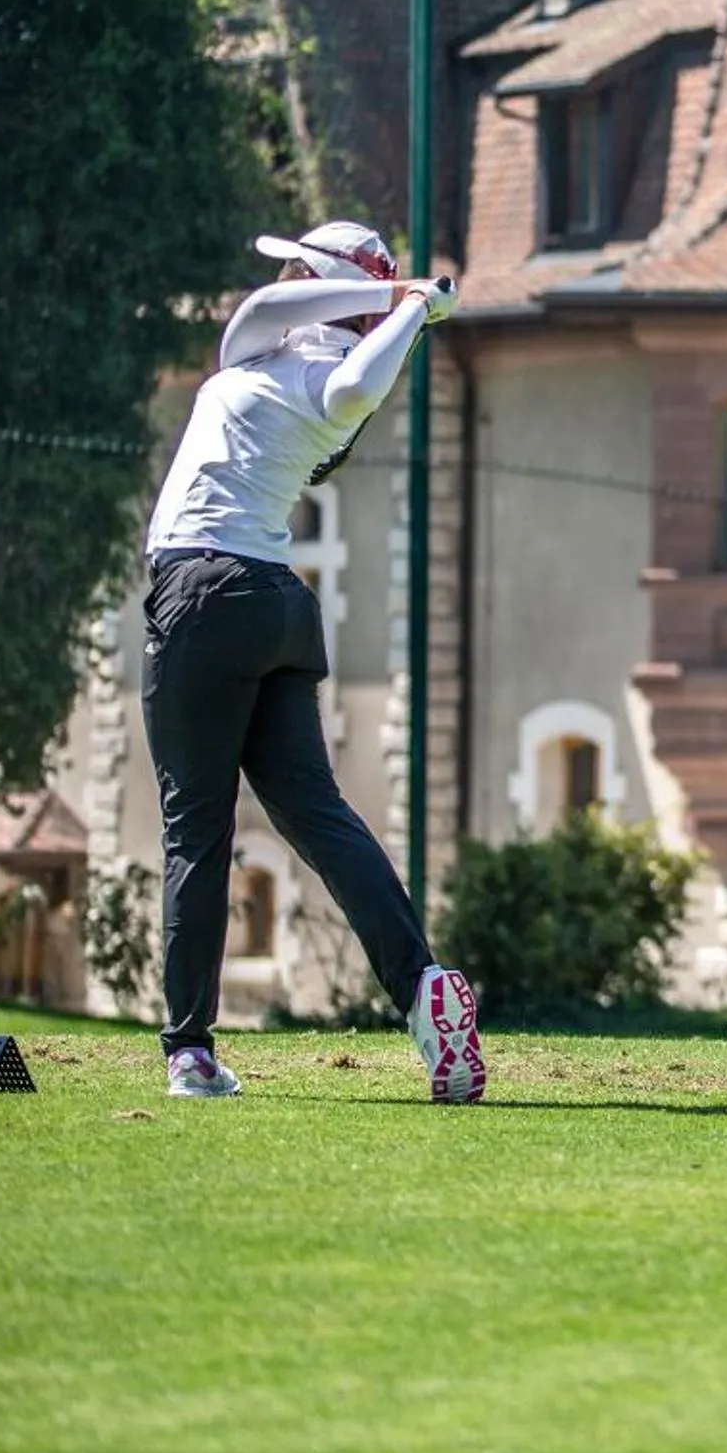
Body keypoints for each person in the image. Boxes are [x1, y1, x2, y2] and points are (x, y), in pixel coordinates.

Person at [140, 219, 484, 1103]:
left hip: (201, 595)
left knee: (196, 831)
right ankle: (421, 988)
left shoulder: (320, 381)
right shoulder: (271, 339)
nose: (286, 274)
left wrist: (404, 315)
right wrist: (401, 299)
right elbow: (275, 306)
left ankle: (190, 1052)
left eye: (299, 262)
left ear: (320, 275)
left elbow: (358, 387)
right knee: (320, 816)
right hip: (276, 608)